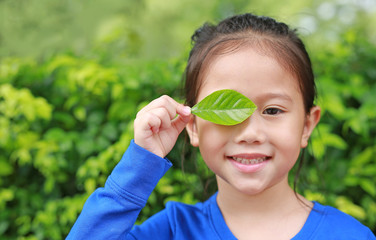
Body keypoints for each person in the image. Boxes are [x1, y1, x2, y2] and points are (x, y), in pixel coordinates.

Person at [67, 13, 376, 239]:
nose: (251, 134)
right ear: (193, 126)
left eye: (272, 110)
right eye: (225, 111)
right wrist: (142, 160)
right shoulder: (174, 231)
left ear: (307, 125)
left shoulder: (348, 235)